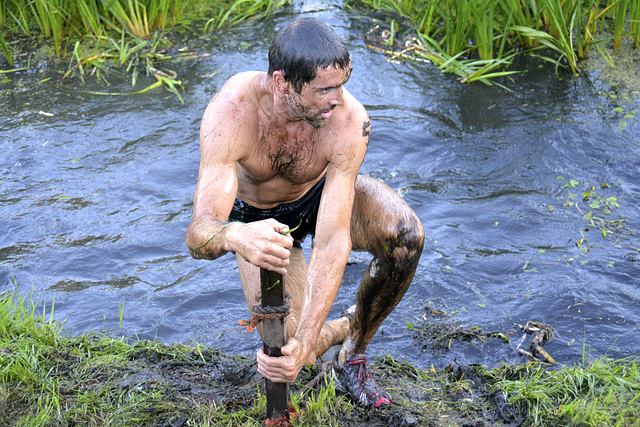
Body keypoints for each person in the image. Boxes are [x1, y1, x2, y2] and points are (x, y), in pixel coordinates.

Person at [185, 17, 424, 408]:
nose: (339, 98)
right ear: (282, 83)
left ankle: (353, 353)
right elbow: (199, 234)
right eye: (325, 89)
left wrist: (309, 337)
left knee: (405, 235)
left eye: (342, 84)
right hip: (256, 217)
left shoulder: (348, 119)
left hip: (319, 192)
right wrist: (235, 236)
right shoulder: (231, 113)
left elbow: (333, 241)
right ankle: (344, 325)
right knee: (292, 344)